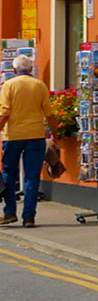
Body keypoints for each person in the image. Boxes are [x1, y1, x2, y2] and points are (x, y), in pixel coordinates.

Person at [0, 53, 53, 227]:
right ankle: (29, 216)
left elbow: (5, 112)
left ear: (14, 70)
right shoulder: (39, 85)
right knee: (32, 176)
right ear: (30, 69)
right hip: (35, 135)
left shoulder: (9, 85)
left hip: (13, 136)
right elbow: (49, 113)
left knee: (9, 173)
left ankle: (10, 212)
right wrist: (55, 133)